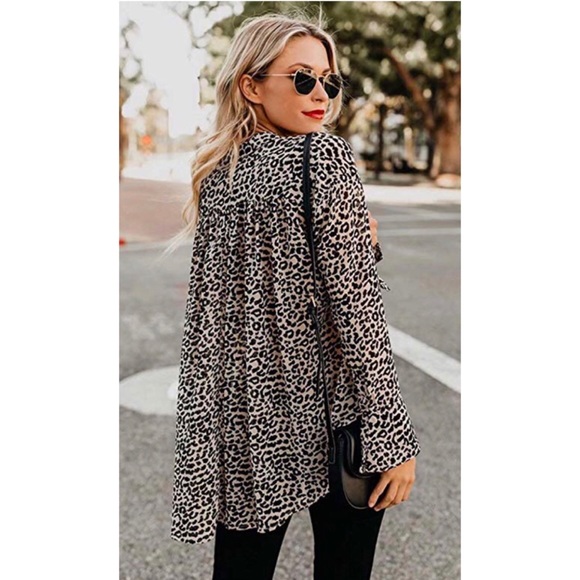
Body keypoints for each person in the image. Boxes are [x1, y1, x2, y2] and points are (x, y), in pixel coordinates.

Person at [167, 11, 421, 580]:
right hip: (335, 412)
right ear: (251, 86)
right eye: (302, 78)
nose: (321, 95)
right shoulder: (323, 159)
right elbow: (356, 311)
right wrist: (393, 437)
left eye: (329, 81)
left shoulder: (220, 173)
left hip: (249, 418)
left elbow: (225, 308)